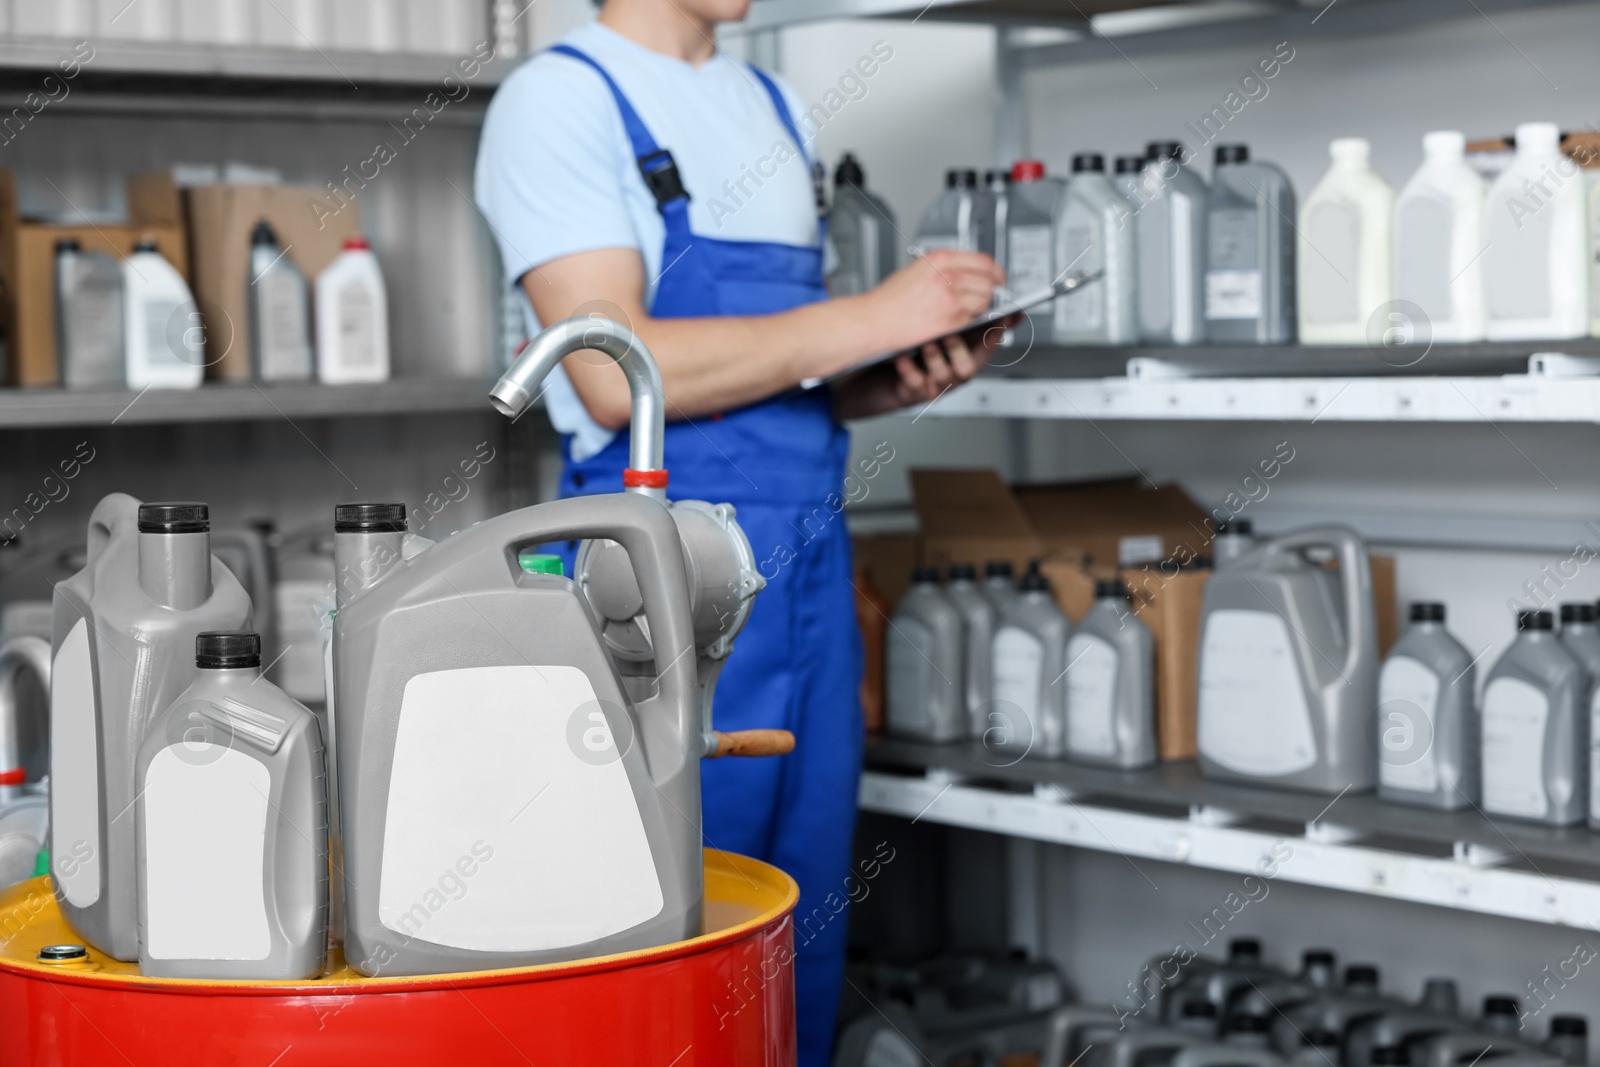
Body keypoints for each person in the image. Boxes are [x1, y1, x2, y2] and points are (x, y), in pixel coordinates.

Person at [474, 1, 1005, 1061]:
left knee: (797, 910)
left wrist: (883, 376)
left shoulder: (771, 102)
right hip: (663, 576)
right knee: (678, 906)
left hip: (807, 565)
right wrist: (871, 314)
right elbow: (607, 369)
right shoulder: (560, 98)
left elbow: (774, 372)